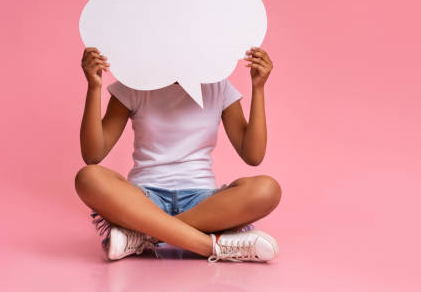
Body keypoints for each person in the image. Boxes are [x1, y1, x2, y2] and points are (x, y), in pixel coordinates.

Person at [75, 46, 281, 262]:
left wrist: (258, 88)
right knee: (88, 177)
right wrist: (94, 87)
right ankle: (214, 246)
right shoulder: (134, 86)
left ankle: (144, 235)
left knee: (268, 189)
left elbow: (253, 155)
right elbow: (93, 155)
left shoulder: (218, 87)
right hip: (144, 200)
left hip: (204, 205)